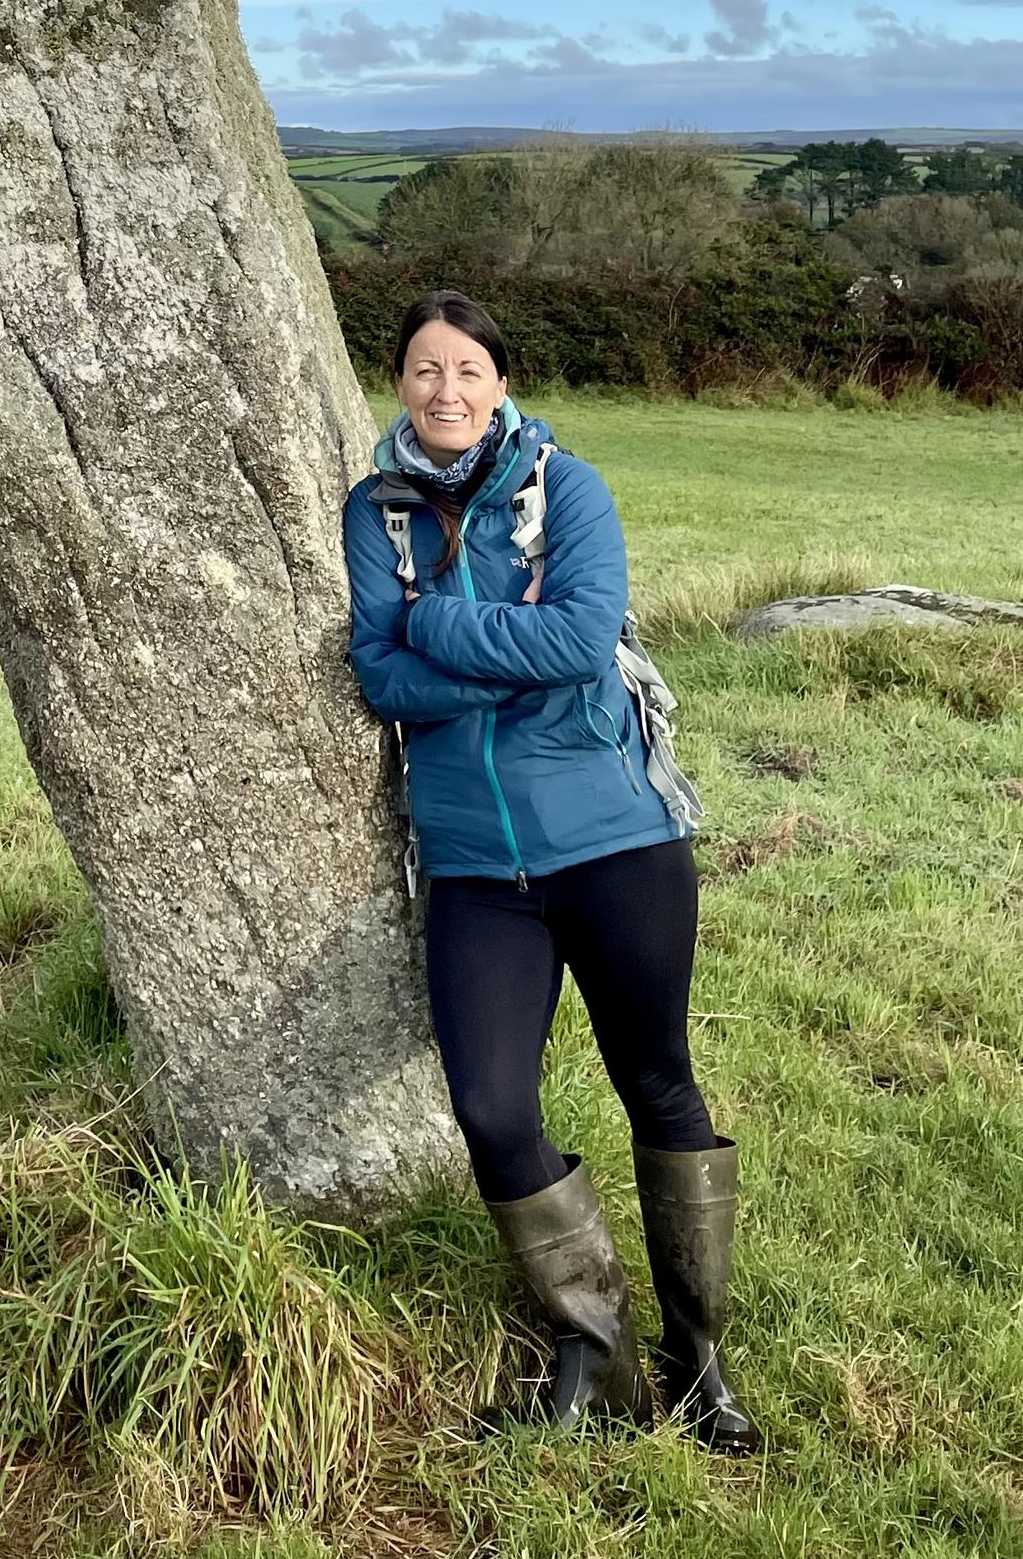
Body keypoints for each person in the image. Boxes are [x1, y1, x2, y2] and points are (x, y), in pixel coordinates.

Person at [343, 288, 757, 1451]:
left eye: (467, 369)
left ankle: (701, 1354)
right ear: (399, 384)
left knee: (656, 1083)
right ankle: (597, 1349)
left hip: (617, 845)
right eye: (424, 369)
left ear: (499, 381)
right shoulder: (374, 513)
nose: (446, 392)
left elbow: (581, 641)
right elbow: (380, 678)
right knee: (488, 1106)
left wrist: (434, 625)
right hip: (476, 867)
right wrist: (475, 646)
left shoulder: (567, 489)